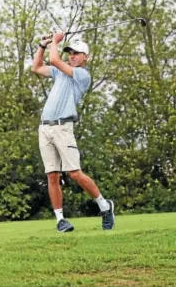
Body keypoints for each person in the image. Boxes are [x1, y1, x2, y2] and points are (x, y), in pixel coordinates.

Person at [31, 31, 115, 232]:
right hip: (45, 128)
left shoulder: (82, 75)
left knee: (74, 173)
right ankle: (60, 220)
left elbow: (54, 59)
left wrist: (56, 42)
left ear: (86, 57)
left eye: (77, 53)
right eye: (70, 52)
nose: (73, 56)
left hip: (63, 127)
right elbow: (36, 67)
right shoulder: (60, 72)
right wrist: (42, 45)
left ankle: (105, 205)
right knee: (52, 175)